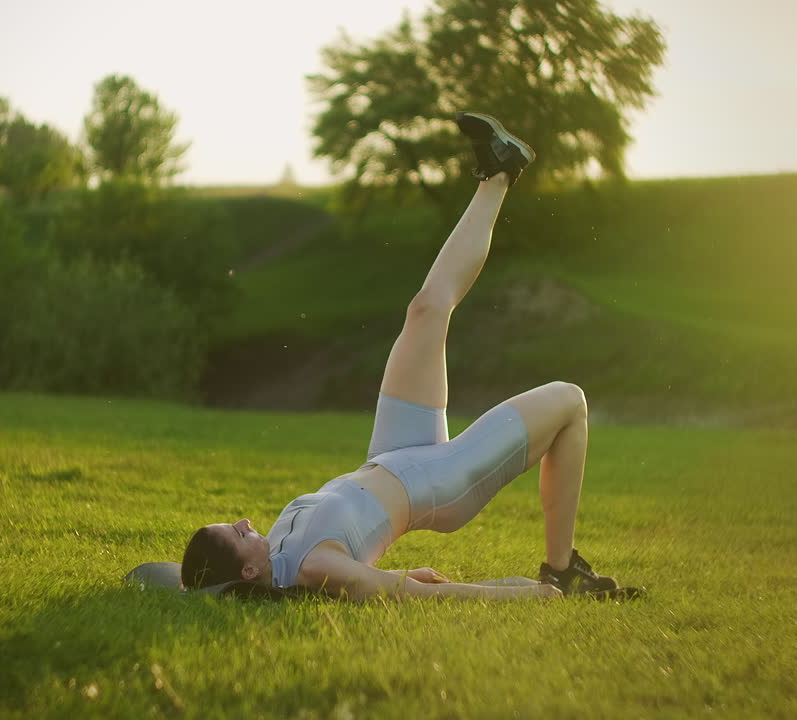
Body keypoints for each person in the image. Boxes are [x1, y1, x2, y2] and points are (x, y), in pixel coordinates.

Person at [181, 112, 638, 601]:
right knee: (570, 401)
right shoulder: (314, 569)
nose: (244, 521)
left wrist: (405, 574)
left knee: (425, 309)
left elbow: (385, 578)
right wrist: (512, 593)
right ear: (248, 572)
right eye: (236, 532)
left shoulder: (275, 553)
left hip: (394, 452)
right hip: (439, 482)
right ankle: (562, 570)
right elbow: (402, 596)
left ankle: (500, 170)